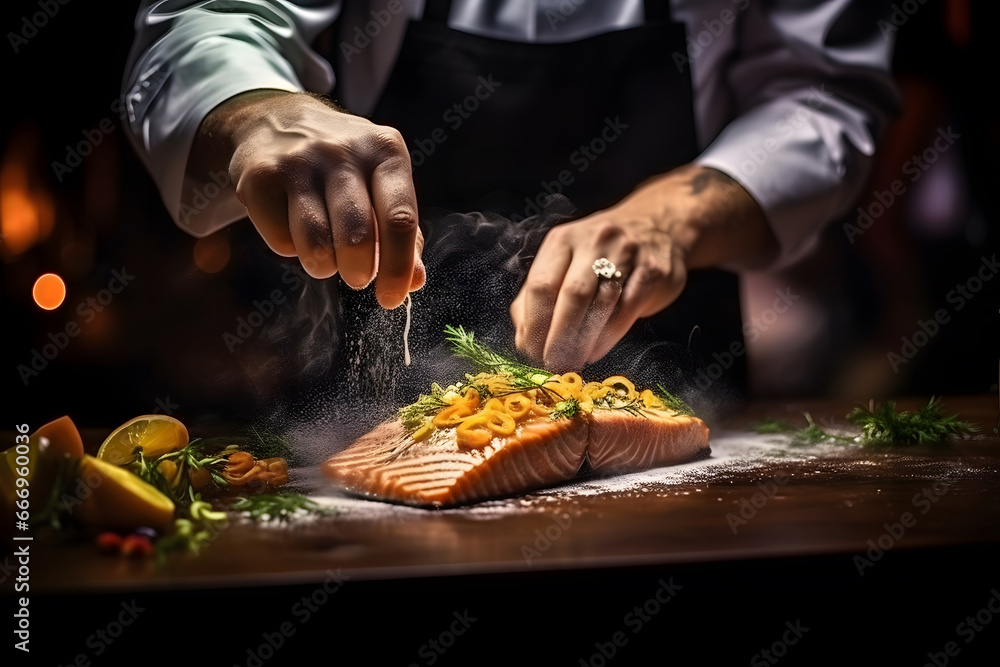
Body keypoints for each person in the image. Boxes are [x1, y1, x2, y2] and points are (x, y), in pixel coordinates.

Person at [122, 0, 898, 384]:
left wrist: (668, 219)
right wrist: (260, 113)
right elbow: (207, 21)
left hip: (683, 372)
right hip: (361, 386)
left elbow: (825, 93)